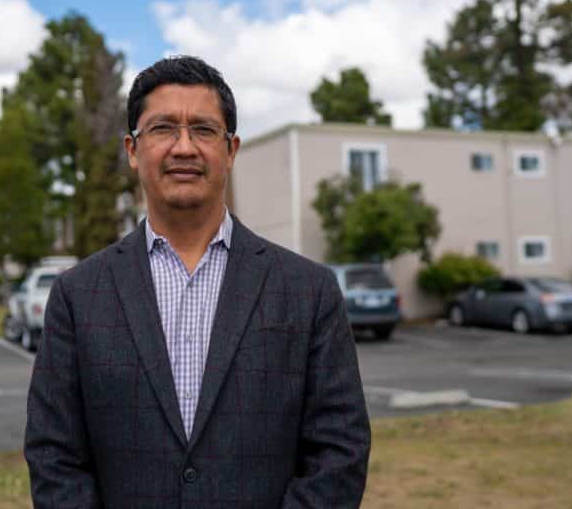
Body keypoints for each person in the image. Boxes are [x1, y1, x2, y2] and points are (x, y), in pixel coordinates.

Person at [25, 56, 371, 508]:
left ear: (231, 151)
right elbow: (54, 456)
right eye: (164, 128)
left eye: (204, 130)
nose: (184, 147)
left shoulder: (309, 291)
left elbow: (339, 452)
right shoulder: (77, 295)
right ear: (132, 150)